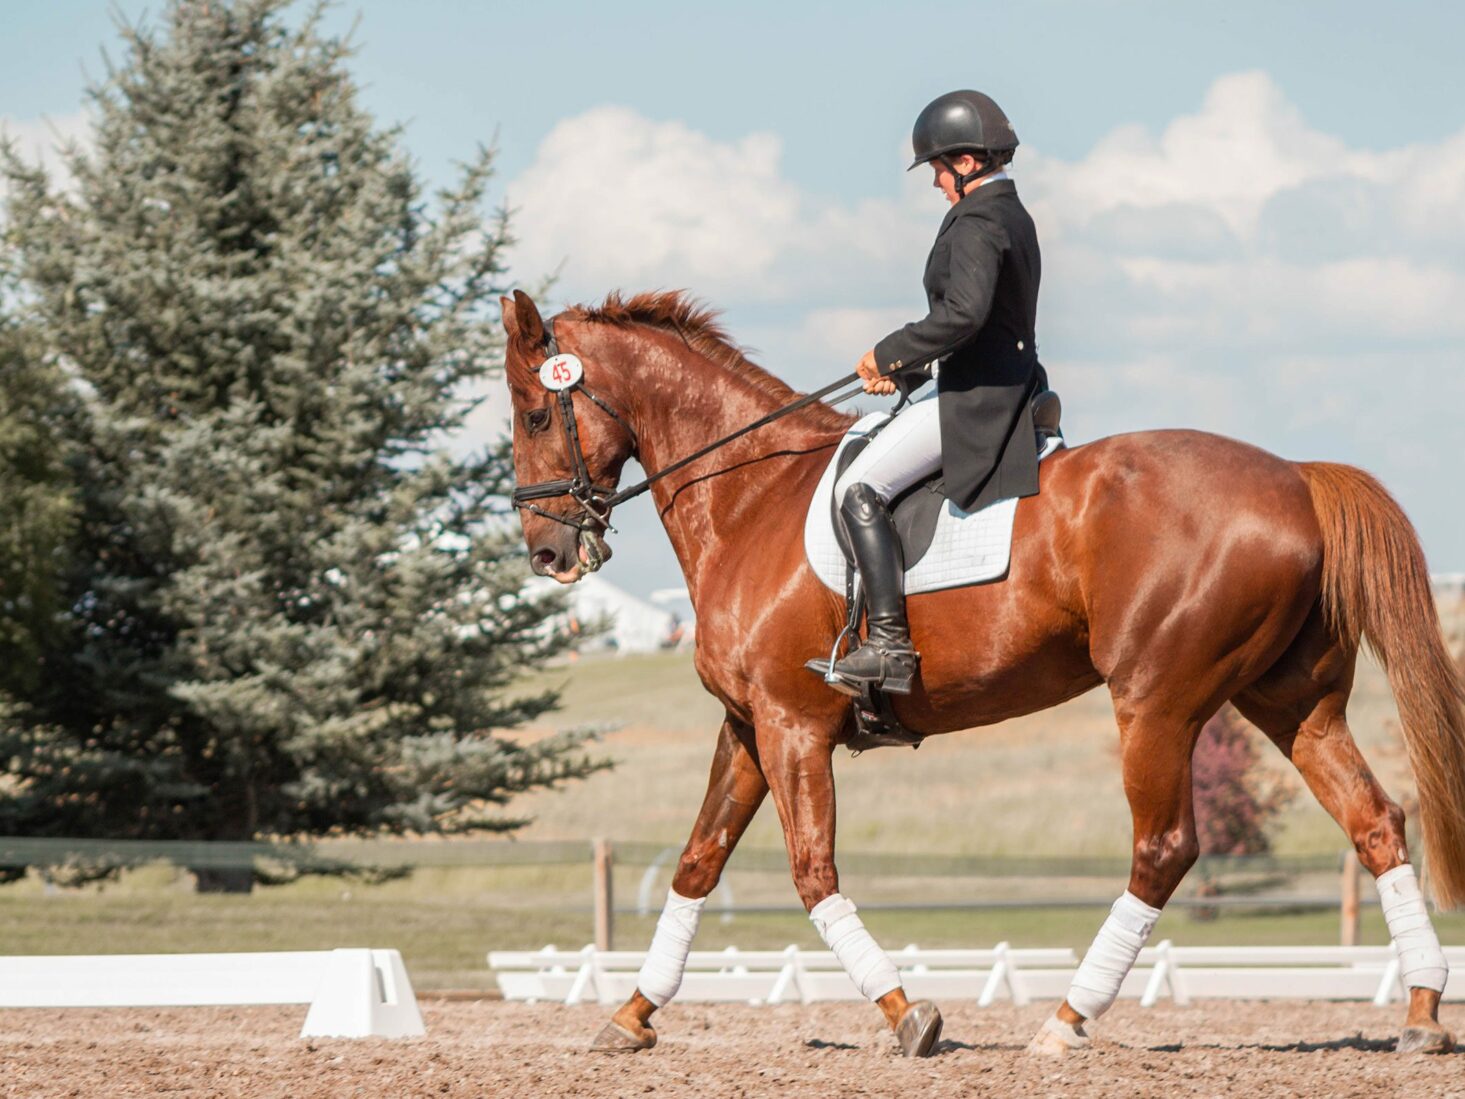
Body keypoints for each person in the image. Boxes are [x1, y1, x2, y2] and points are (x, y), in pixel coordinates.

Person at [829, 89, 1049, 696]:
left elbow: (964, 316)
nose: (934, 183)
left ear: (967, 163)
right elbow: (985, 325)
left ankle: (890, 646)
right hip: (994, 379)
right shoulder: (1010, 212)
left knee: (858, 486)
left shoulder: (979, 220)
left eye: (936, 168)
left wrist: (889, 351)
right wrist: (907, 373)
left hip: (979, 400)